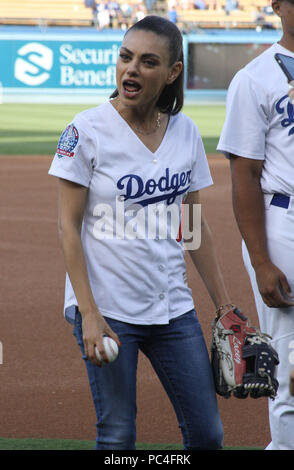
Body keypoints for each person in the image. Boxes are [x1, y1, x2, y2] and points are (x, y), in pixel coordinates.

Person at [49, 15, 230, 450]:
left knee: (207, 435)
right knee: (118, 435)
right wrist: (88, 313)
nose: (131, 69)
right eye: (125, 57)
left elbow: (191, 226)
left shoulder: (185, 132)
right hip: (108, 310)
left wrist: (225, 306)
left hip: (172, 306)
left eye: (148, 62)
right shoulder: (86, 130)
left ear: (172, 73)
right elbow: (67, 228)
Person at [217, 0, 294, 451]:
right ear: (277, 6)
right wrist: (261, 260)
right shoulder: (254, 79)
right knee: (288, 366)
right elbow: (244, 173)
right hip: (285, 223)